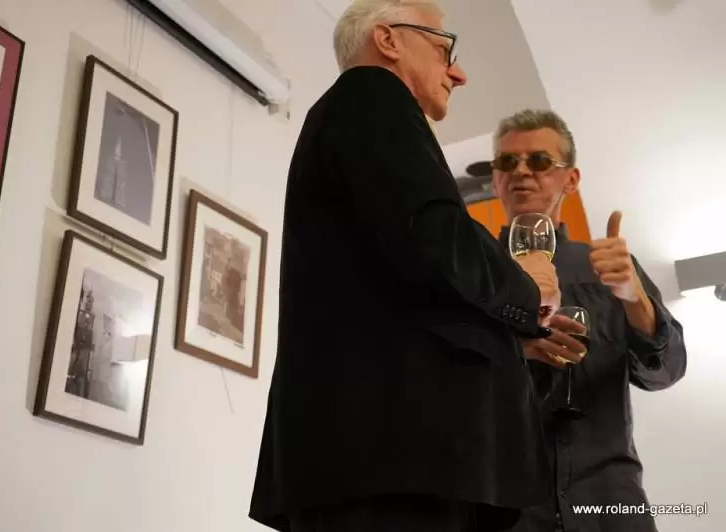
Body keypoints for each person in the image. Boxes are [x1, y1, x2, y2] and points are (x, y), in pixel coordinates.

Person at [248, 2, 587, 531]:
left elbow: (397, 279)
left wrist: (503, 336)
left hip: (373, 456)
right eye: (444, 49)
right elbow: (434, 235)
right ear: (388, 40)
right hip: (394, 457)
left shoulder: (351, 117)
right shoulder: (373, 95)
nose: (459, 72)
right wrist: (528, 290)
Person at [489, 109, 687, 532]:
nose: (520, 171)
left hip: (611, 506)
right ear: (495, 179)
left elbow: (666, 372)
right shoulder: (470, 273)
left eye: (539, 161)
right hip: (506, 512)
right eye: (507, 162)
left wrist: (635, 298)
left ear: (571, 179)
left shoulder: (608, 267)